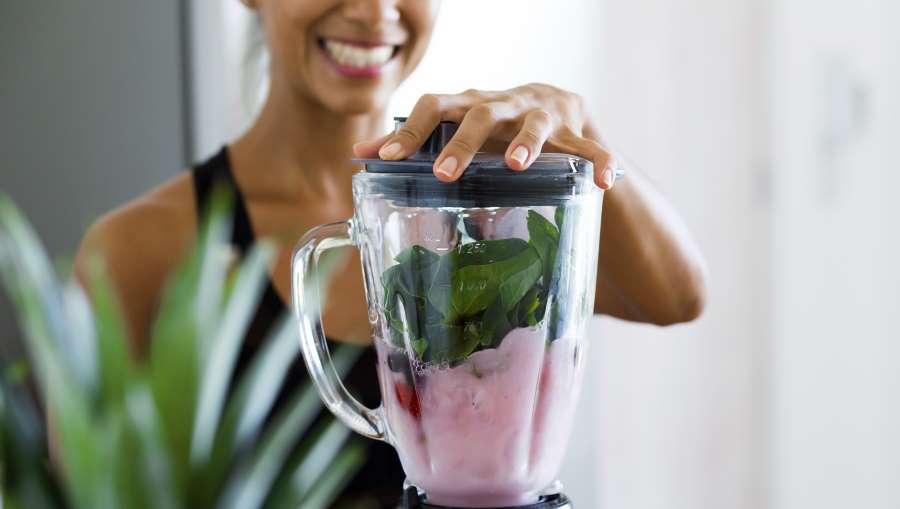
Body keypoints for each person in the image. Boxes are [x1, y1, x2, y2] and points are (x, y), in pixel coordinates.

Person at [75, 0, 707, 506]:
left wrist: (584, 133)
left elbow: (678, 296)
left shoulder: (488, 206)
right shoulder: (140, 249)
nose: (374, 12)